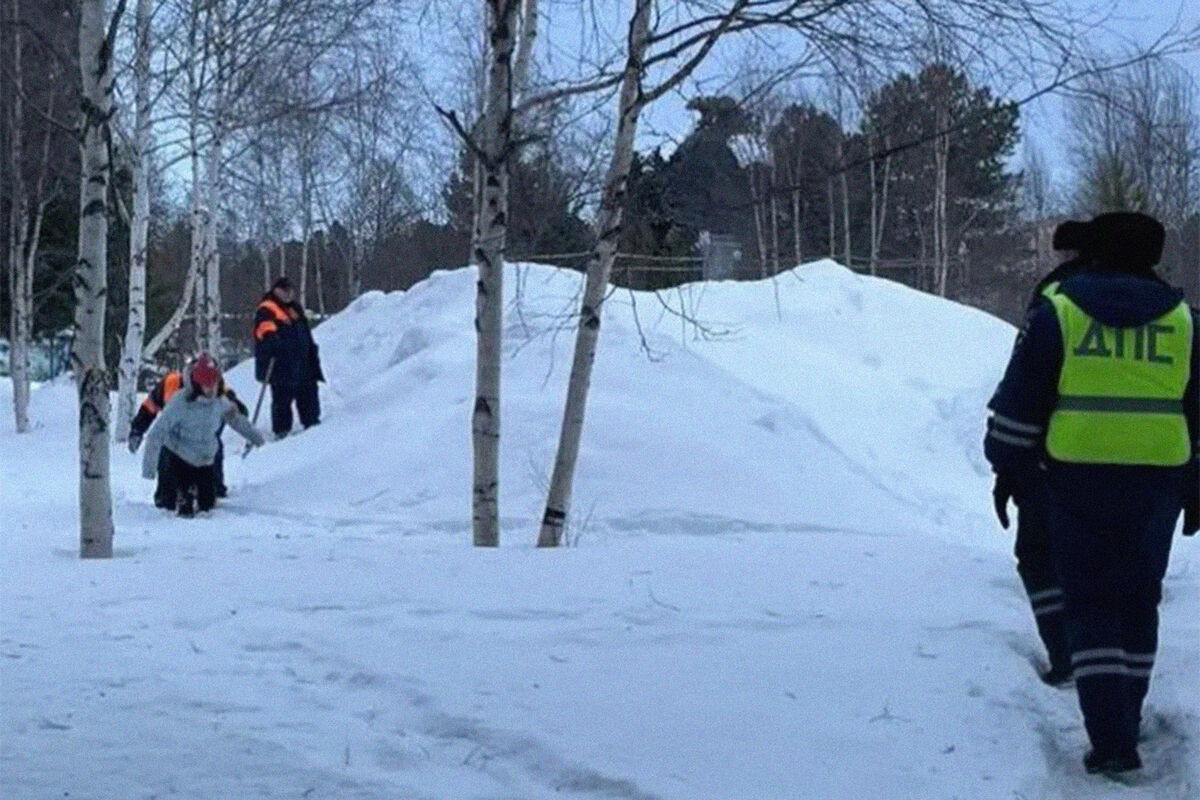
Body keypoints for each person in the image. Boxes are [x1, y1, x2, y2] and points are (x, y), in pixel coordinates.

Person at [985, 211, 1199, 776]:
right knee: (1138, 600)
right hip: (1158, 485)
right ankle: (1125, 717)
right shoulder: (1185, 320)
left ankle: (1112, 741)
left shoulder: (1060, 310)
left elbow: (1018, 403)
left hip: (1078, 480)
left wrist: (1007, 466)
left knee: (1093, 605)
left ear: (1094, 251)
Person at [992, 219, 1096, 688]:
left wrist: (1006, 460)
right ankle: (1110, 672)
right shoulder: (1158, 303)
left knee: (1039, 556)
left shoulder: (1055, 299)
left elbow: (1027, 382)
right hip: (1142, 463)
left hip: (1054, 458)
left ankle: (1066, 651)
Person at [142, 354, 266, 517]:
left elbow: (237, 421)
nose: (211, 389)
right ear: (196, 383)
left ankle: (199, 494)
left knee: (207, 507)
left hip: (205, 460)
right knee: (175, 508)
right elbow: (156, 434)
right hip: (179, 459)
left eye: (213, 384)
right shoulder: (180, 402)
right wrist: (149, 469)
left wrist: (259, 441)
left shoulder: (220, 401)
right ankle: (172, 498)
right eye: (206, 385)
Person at [128, 361, 248, 505]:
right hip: (175, 443)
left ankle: (215, 490)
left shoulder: (215, 386)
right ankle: (167, 497)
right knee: (167, 455)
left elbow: (236, 409)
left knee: (212, 450)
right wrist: (137, 430)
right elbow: (149, 407)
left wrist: (238, 411)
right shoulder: (171, 383)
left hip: (206, 441)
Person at [253, 276, 323, 439]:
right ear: (276, 290)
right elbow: (264, 327)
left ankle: (312, 425)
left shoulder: (294, 308)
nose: (288, 293)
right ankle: (282, 432)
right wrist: (271, 338)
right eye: (284, 290)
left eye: (290, 290)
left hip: (303, 361)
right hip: (281, 364)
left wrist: (311, 350)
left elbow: (304, 331)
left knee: (308, 394)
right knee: (282, 399)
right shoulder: (267, 308)